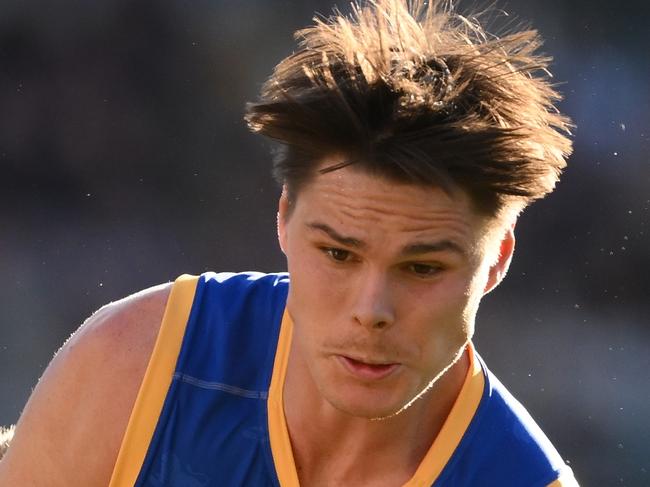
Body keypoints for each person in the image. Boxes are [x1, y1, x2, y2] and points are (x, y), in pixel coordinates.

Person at [0, 0, 578, 485]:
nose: (370, 310)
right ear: (283, 220)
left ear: (497, 259)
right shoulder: (135, 364)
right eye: (338, 254)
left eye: (422, 268)